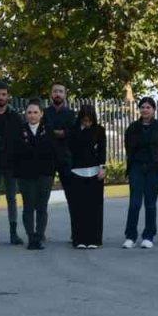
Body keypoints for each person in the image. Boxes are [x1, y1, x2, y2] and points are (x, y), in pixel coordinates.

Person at [123, 96, 158, 249]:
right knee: (135, 203)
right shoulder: (132, 128)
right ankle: (130, 236)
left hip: (154, 168)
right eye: (142, 107)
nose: (145, 110)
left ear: (153, 110)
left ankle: (148, 235)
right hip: (137, 167)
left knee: (150, 203)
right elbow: (128, 146)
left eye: (148, 107)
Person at [13, 99, 57, 250]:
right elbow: (17, 152)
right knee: (28, 206)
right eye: (29, 112)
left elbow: (52, 152)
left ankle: (39, 236)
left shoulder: (49, 130)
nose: (32, 116)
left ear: (41, 114)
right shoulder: (19, 130)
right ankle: (31, 237)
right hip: (26, 175)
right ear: (25, 114)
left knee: (42, 207)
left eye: (35, 112)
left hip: (45, 174)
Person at [0, 82, 23, 246]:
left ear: (8, 96)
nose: (1, 97)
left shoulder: (15, 117)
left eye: (3, 94)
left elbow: (20, 139)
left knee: (12, 199)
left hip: (11, 164)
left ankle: (13, 234)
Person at [69, 104, 107, 248]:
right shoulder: (74, 131)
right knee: (79, 207)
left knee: (95, 208)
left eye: (89, 121)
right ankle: (79, 239)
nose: (87, 123)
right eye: (84, 120)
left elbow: (102, 150)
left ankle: (94, 239)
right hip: (77, 172)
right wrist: (81, 130)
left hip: (95, 172)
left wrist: (102, 168)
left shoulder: (99, 131)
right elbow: (71, 149)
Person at [44, 83, 78, 243]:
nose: (57, 94)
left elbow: (73, 133)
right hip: (47, 159)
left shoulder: (71, 114)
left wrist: (58, 132)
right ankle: (39, 233)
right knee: (42, 199)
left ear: (65, 94)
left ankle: (76, 232)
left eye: (60, 91)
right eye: (55, 91)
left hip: (66, 159)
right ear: (51, 94)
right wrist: (62, 132)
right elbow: (45, 132)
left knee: (73, 198)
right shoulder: (44, 113)